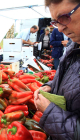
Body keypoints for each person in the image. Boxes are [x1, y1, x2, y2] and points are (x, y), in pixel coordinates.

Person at [34, 0, 80, 140]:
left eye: (64, 18)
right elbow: (68, 76)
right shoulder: (74, 45)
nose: (60, 29)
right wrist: (51, 86)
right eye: (55, 22)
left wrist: (50, 112)